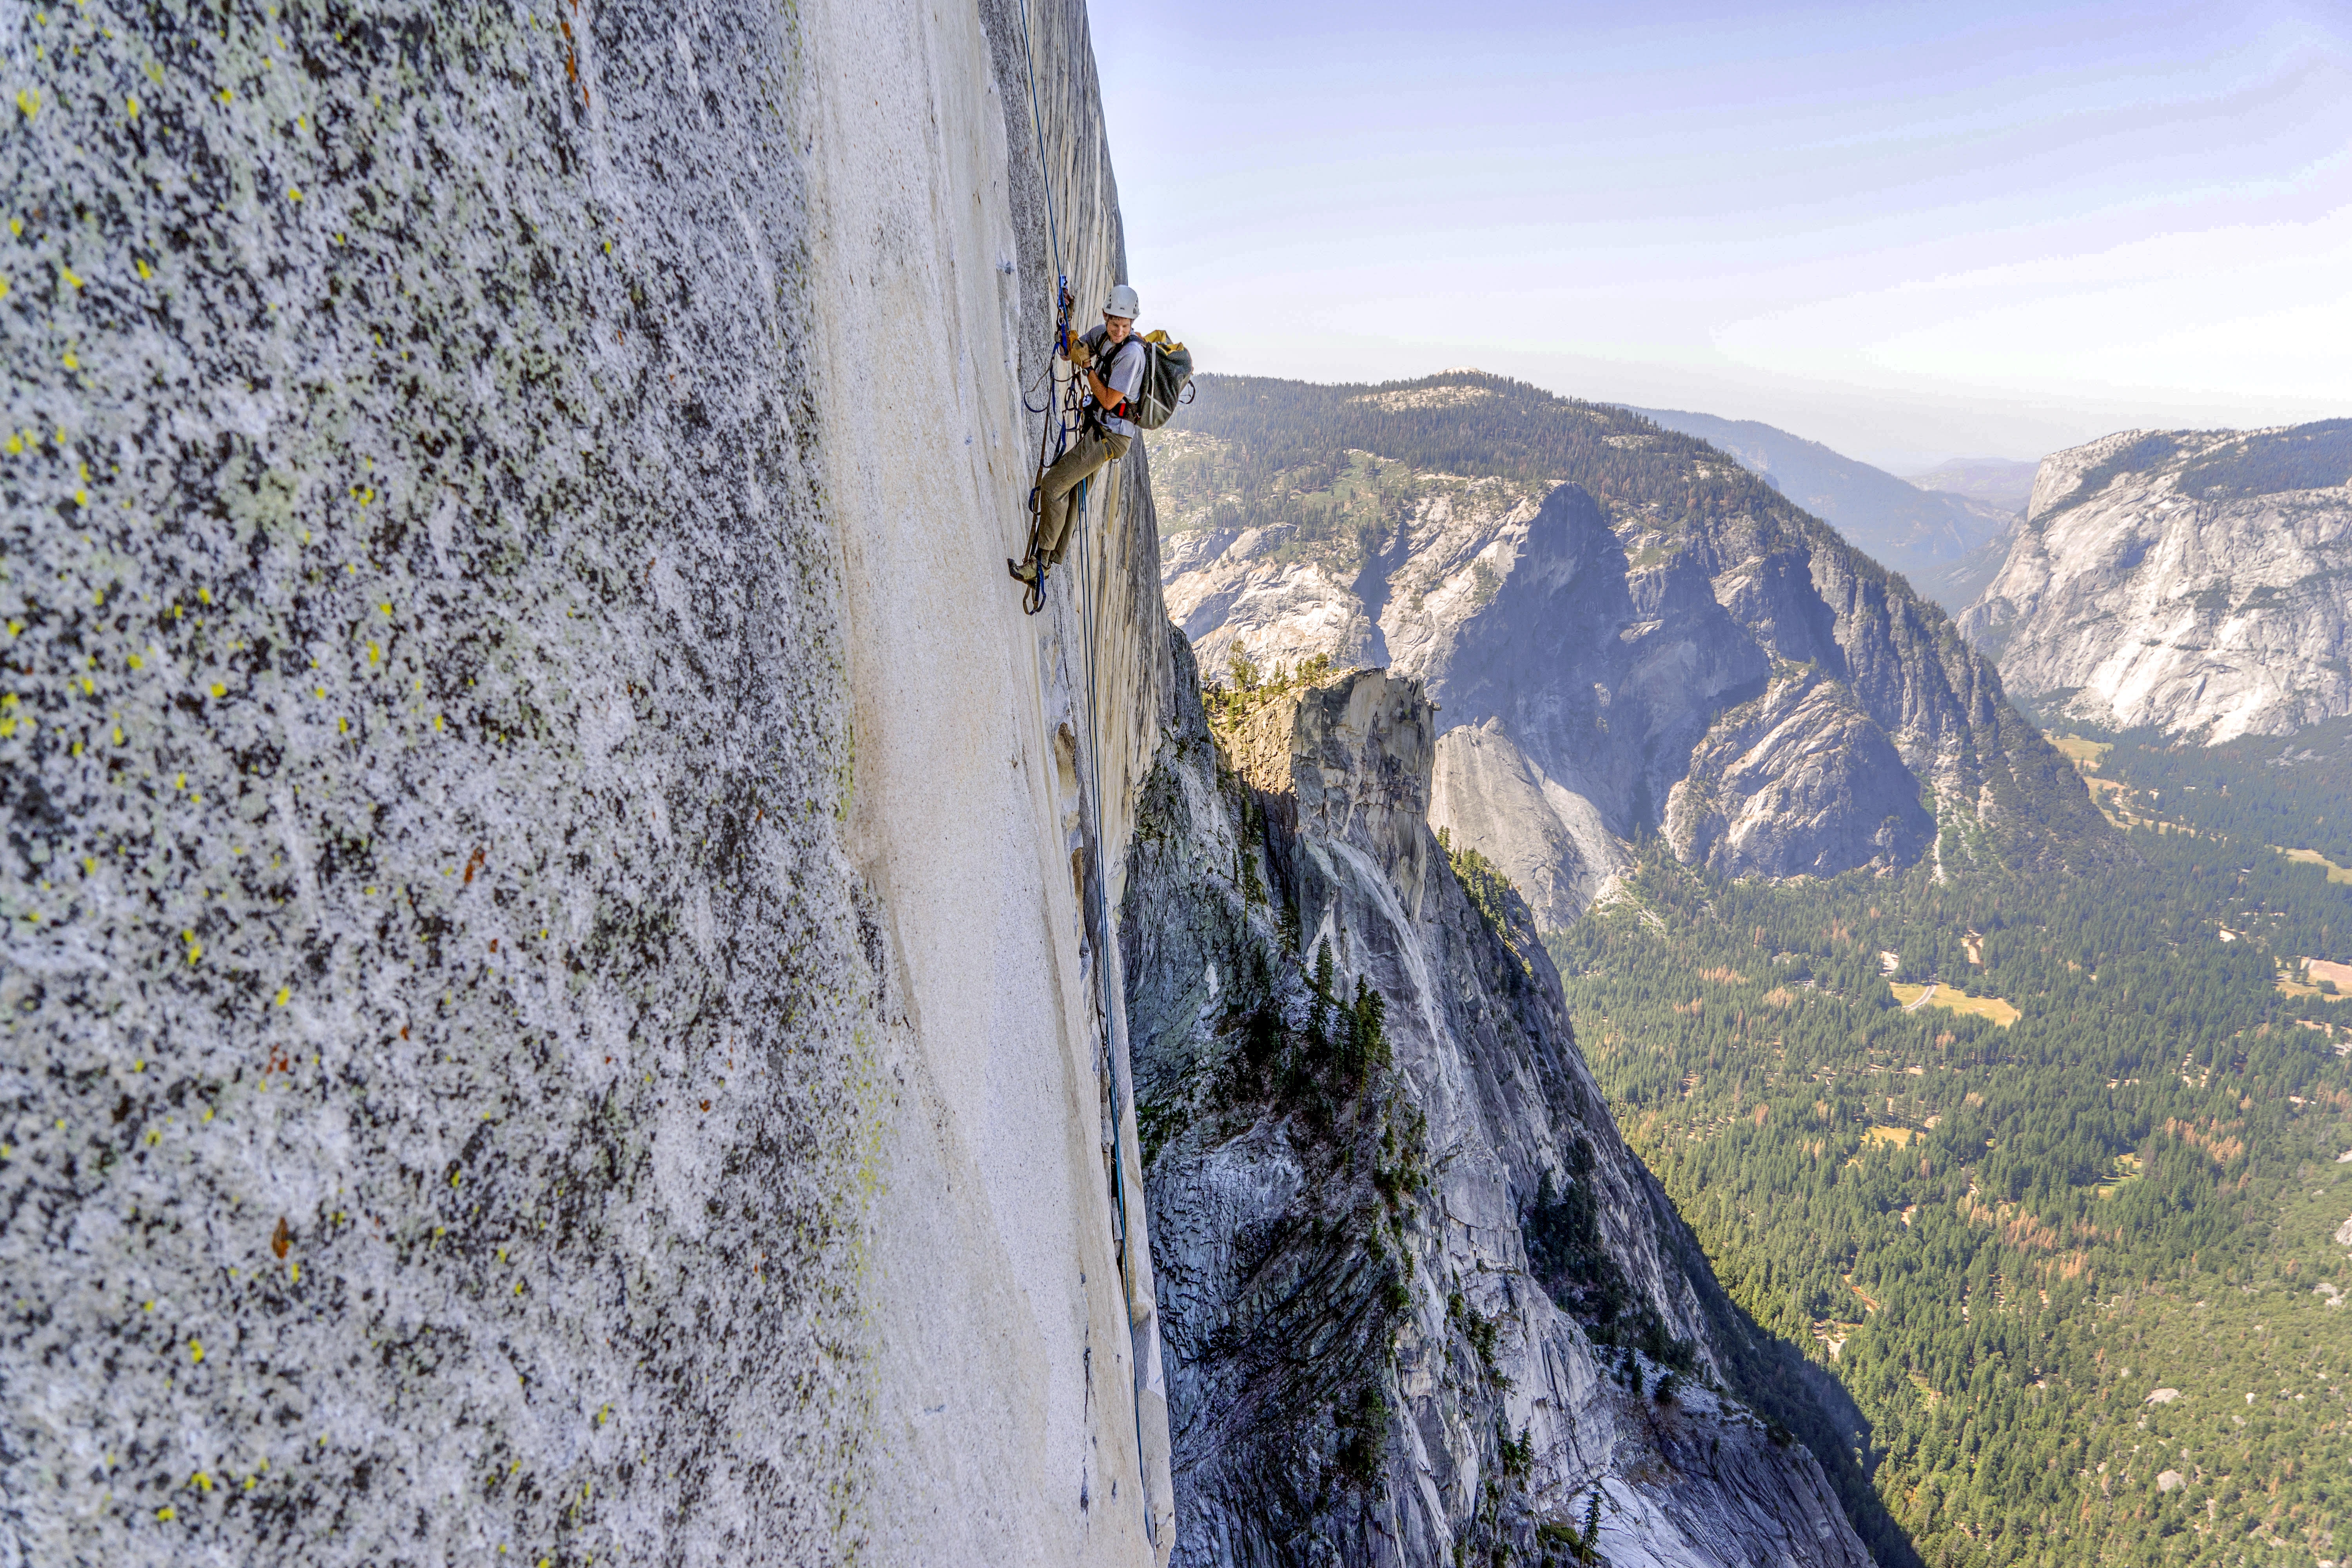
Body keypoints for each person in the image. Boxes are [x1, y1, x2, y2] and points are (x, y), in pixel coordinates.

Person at [1010, 283, 1146, 588]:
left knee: (1055, 483)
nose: (1119, 331)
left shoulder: (1132, 355)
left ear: (1132, 325)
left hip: (1111, 438)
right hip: (1100, 429)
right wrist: (1067, 323)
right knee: (1073, 492)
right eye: (1115, 323)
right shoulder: (1102, 335)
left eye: (1125, 326)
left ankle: (1040, 563)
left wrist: (1087, 367)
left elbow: (1110, 400)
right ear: (1105, 316)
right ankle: (1050, 560)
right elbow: (1069, 352)